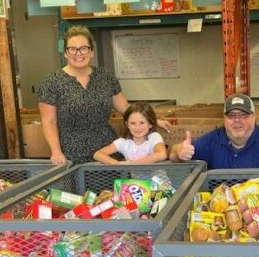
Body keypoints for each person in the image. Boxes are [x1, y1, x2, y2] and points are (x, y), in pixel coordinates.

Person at [37, 25, 170, 164]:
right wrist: (56, 152)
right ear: (65, 53)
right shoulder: (52, 82)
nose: (79, 53)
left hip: (107, 152)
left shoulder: (105, 77)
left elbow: (124, 106)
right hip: (71, 154)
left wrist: (154, 121)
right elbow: (49, 121)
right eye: (72, 49)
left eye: (84, 48)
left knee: (110, 186)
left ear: (91, 51)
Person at [170, 93, 259, 169]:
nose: (237, 120)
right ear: (224, 118)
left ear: (254, 117)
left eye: (243, 115)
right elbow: (173, 154)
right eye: (231, 115)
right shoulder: (211, 141)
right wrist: (178, 151)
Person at [93, 103, 167, 164]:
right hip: (134, 182)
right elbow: (98, 154)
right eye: (132, 123)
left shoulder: (154, 137)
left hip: (156, 181)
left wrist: (134, 164)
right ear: (127, 124)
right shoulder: (123, 142)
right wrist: (117, 164)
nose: (137, 127)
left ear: (150, 124)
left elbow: (161, 154)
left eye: (142, 123)